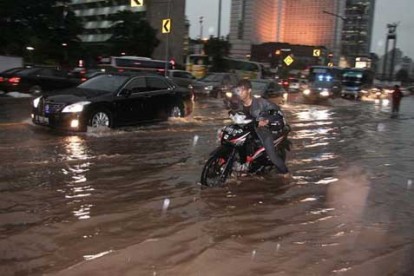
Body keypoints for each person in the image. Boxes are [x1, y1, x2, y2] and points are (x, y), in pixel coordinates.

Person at [232, 79, 290, 175]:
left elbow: (278, 113)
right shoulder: (238, 104)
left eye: (242, 90)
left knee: (272, 155)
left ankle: (285, 173)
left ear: (249, 90)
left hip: (263, 130)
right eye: (238, 90)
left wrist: (267, 120)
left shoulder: (262, 103)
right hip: (247, 129)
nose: (239, 93)